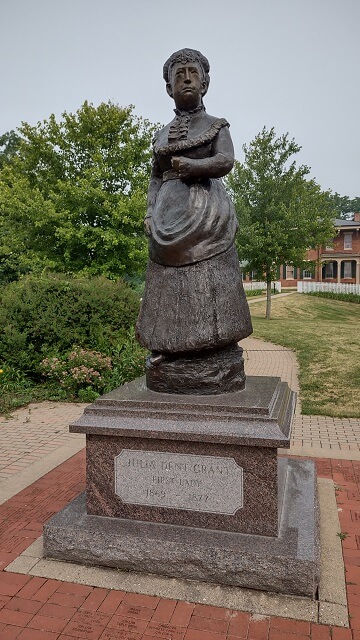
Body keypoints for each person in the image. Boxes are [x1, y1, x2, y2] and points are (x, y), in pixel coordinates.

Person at [136, 48, 252, 371]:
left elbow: (226, 160)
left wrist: (193, 165)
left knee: (210, 277)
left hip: (206, 213)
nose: (186, 78)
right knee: (167, 282)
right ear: (168, 87)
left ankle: (218, 343)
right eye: (178, 74)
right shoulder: (160, 135)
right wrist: (149, 212)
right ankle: (167, 345)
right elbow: (155, 177)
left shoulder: (216, 125)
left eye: (193, 73)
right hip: (167, 217)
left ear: (205, 83)